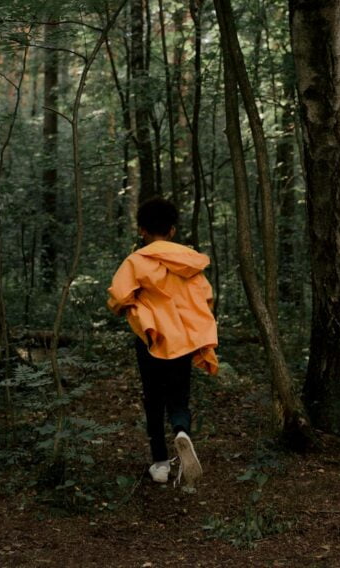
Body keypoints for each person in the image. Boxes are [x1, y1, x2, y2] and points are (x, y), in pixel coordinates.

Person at [107, 197, 218, 487]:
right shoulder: (190, 262)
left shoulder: (136, 261)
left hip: (151, 338)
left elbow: (119, 296)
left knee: (153, 398)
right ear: (172, 231)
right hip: (182, 339)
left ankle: (159, 462)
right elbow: (206, 298)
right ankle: (182, 431)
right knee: (179, 395)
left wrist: (131, 307)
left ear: (142, 230)